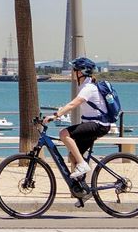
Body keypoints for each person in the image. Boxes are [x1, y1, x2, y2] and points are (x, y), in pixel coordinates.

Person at [44, 56, 114, 196]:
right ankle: (83, 190)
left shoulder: (88, 88)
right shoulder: (84, 85)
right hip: (93, 124)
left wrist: (55, 115)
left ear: (81, 72)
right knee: (72, 157)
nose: (71, 72)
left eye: (73, 69)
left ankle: (82, 165)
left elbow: (73, 104)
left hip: (98, 124)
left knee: (64, 134)